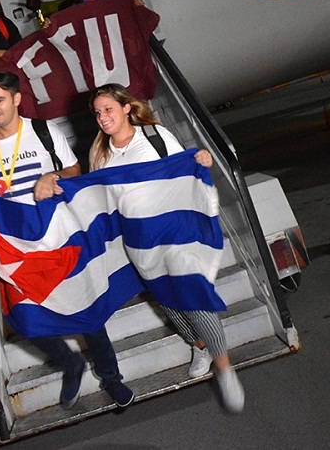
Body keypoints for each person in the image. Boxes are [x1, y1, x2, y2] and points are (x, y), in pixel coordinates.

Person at [0, 71, 135, 409]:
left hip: (56, 235)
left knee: (86, 312)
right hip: (15, 245)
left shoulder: (42, 131)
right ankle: (70, 362)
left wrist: (50, 176)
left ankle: (112, 379)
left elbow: (74, 172)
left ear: (16, 99)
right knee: (22, 319)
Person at [88, 83, 245, 413]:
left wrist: (200, 160)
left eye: (109, 109)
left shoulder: (155, 137)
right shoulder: (100, 156)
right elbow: (99, 202)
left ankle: (226, 369)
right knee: (170, 304)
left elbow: (184, 169)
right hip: (138, 244)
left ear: (127, 108)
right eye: (98, 112)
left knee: (193, 298)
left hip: (174, 233)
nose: (103, 117)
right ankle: (199, 344)